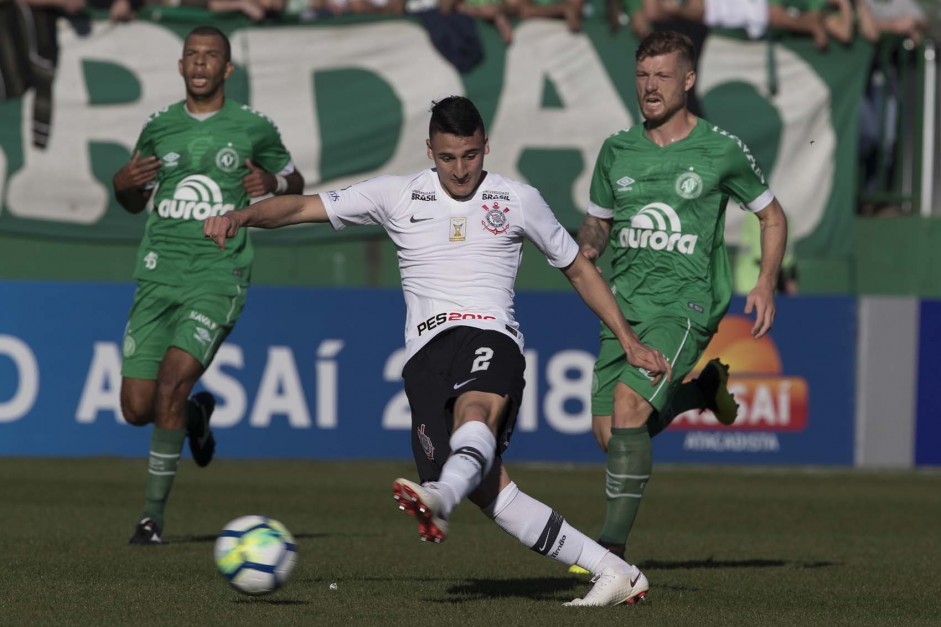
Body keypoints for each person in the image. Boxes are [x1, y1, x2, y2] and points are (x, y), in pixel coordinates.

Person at [204, 95, 671, 606]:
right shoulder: (396, 194)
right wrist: (240, 216)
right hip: (425, 355)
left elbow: (578, 268)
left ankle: (440, 497)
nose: (461, 169)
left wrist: (628, 340)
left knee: (475, 413)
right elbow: (299, 206)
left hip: (491, 336)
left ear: (486, 146)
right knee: (493, 494)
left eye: (471, 155)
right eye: (448, 157)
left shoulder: (518, 199)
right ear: (429, 150)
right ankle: (614, 571)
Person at [574, 31, 788, 568]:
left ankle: (611, 557)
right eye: (643, 75)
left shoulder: (721, 149)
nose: (650, 87)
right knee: (612, 434)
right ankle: (700, 393)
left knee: (628, 409)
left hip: (686, 305)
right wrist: (586, 249)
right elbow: (598, 223)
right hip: (625, 306)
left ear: (688, 81)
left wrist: (764, 281)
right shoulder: (615, 149)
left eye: (662, 76)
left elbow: (771, 215)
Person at [112, 25, 304, 545]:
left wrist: (272, 184)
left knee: (173, 382)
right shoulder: (159, 127)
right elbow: (134, 194)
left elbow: (294, 182)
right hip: (157, 274)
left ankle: (151, 519)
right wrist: (122, 185)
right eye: (191, 55)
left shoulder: (253, 127)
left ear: (227, 69)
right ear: (180, 65)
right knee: (136, 408)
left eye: (210, 56)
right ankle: (195, 416)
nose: (200, 64)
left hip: (218, 273)